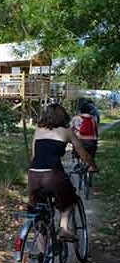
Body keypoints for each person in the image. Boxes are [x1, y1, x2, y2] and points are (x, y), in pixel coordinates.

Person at [29, 103, 98, 240]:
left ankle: (43, 255)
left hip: (33, 175)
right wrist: (93, 166)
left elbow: (33, 155)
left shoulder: (38, 130)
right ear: (63, 116)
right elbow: (83, 154)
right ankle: (64, 228)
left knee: (39, 215)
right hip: (53, 175)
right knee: (69, 199)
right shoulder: (67, 131)